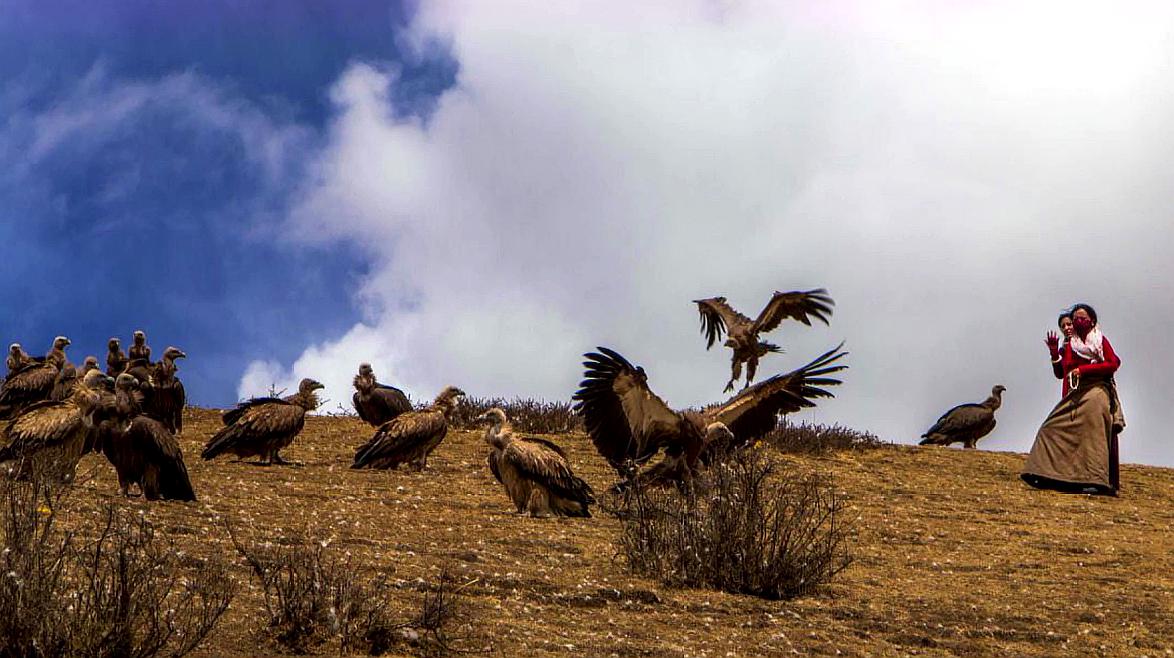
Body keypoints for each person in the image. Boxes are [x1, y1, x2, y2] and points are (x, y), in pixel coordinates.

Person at [1022, 304, 1123, 496]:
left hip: (1097, 389)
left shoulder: (1100, 340)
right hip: (1075, 393)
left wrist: (1084, 370)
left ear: (1092, 321)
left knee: (1092, 433)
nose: (1077, 322)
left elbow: (1113, 363)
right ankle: (1046, 472)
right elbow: (1061, 372)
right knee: (1051, 426)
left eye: (1082, 318)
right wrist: (1054, 353)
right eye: (1075, 318)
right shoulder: (1070, 345)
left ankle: (1096, 480)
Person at [1045, 312, 1075, 394]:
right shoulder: (1063, 350)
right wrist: (1054, 354)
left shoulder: (1088, 342)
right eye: (1063, 326)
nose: (1066, 328)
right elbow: (1060, 374)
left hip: (1088, 388)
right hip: (1069, 392)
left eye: (1069, 324)